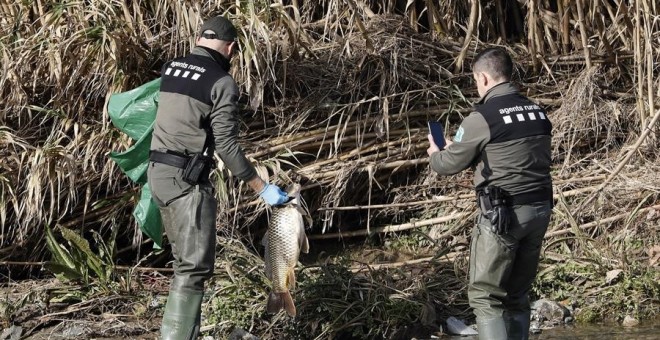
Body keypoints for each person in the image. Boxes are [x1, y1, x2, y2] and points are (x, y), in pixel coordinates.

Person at [147, 15, 289, 340]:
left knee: (184, 264)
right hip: (186, 183)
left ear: (200, 38)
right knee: (193, 269)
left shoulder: (172, 68)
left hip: (158, 175)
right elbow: (226, 145)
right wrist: (262, 188)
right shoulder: (221, 82)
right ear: (232, 47)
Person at [427, 48, 553, 340]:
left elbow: (447, 165)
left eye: (475, 80)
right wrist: (462, 148)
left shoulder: (481, 117)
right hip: (539, 211)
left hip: (503, 217)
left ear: (482, 77)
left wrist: (437, 152)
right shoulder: (537, 110)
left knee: (485, 296)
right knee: (518, 295)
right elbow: (510, 154)